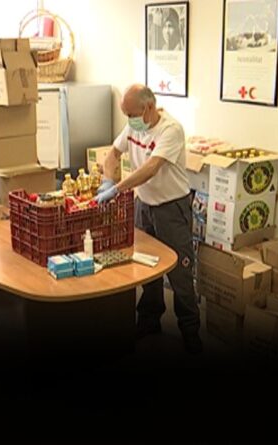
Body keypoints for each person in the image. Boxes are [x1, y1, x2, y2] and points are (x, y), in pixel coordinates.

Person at [95, 84, 201, 354]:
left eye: (131, 114)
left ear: (149, 108)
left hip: (171, 209)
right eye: (126, 115)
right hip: (144, 206)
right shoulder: (134, 126)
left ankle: (190, 331)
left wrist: (117, 189)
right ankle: (149, 320)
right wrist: (107, 178)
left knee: (180, 273)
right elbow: (113, 154)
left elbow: (151, 168)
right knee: (146, 267)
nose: (128, 120)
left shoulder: (171, 130)